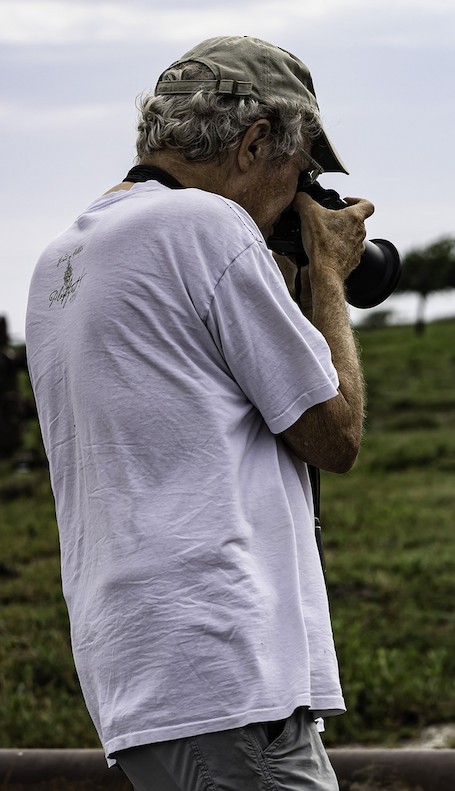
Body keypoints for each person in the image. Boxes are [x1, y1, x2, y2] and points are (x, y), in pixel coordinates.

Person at [24, 35, 371, 790]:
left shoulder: (63, 260)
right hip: (225, 670)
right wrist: (329, 276)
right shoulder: (205, 227)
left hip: (147, 675)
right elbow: (333, 431)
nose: (296, 193)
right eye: (298, 170)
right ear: (253, 145)